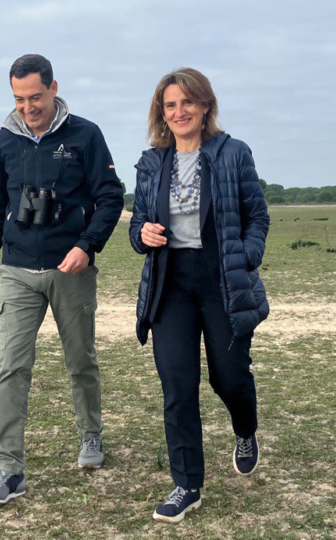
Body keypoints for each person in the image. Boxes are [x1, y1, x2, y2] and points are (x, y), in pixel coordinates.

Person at [0, 54, 124, 506]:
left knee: (80, 359)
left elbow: (110, 197)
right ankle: (8, 469)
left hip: (70, 267)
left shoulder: (85, 134)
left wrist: (87, 245)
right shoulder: (6, 138)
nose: (28, 107)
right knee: (11, 367)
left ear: (54, 88)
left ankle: (91, 435)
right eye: (19, 99)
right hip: (17, 269)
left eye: (35, 97)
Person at [129, 67, 271, 523]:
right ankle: (187, 485)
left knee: (229, 378)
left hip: (222, 280)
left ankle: (245, 430)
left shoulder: (233, 153)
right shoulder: (152, 162)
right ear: (161, 113)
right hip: (170, 282)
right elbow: (137, 225)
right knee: (177, 385)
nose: (179, 111)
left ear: (205, 105)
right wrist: (142, 234)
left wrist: (245, 256)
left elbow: (258, 217)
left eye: (187, 102)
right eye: (170, 105)